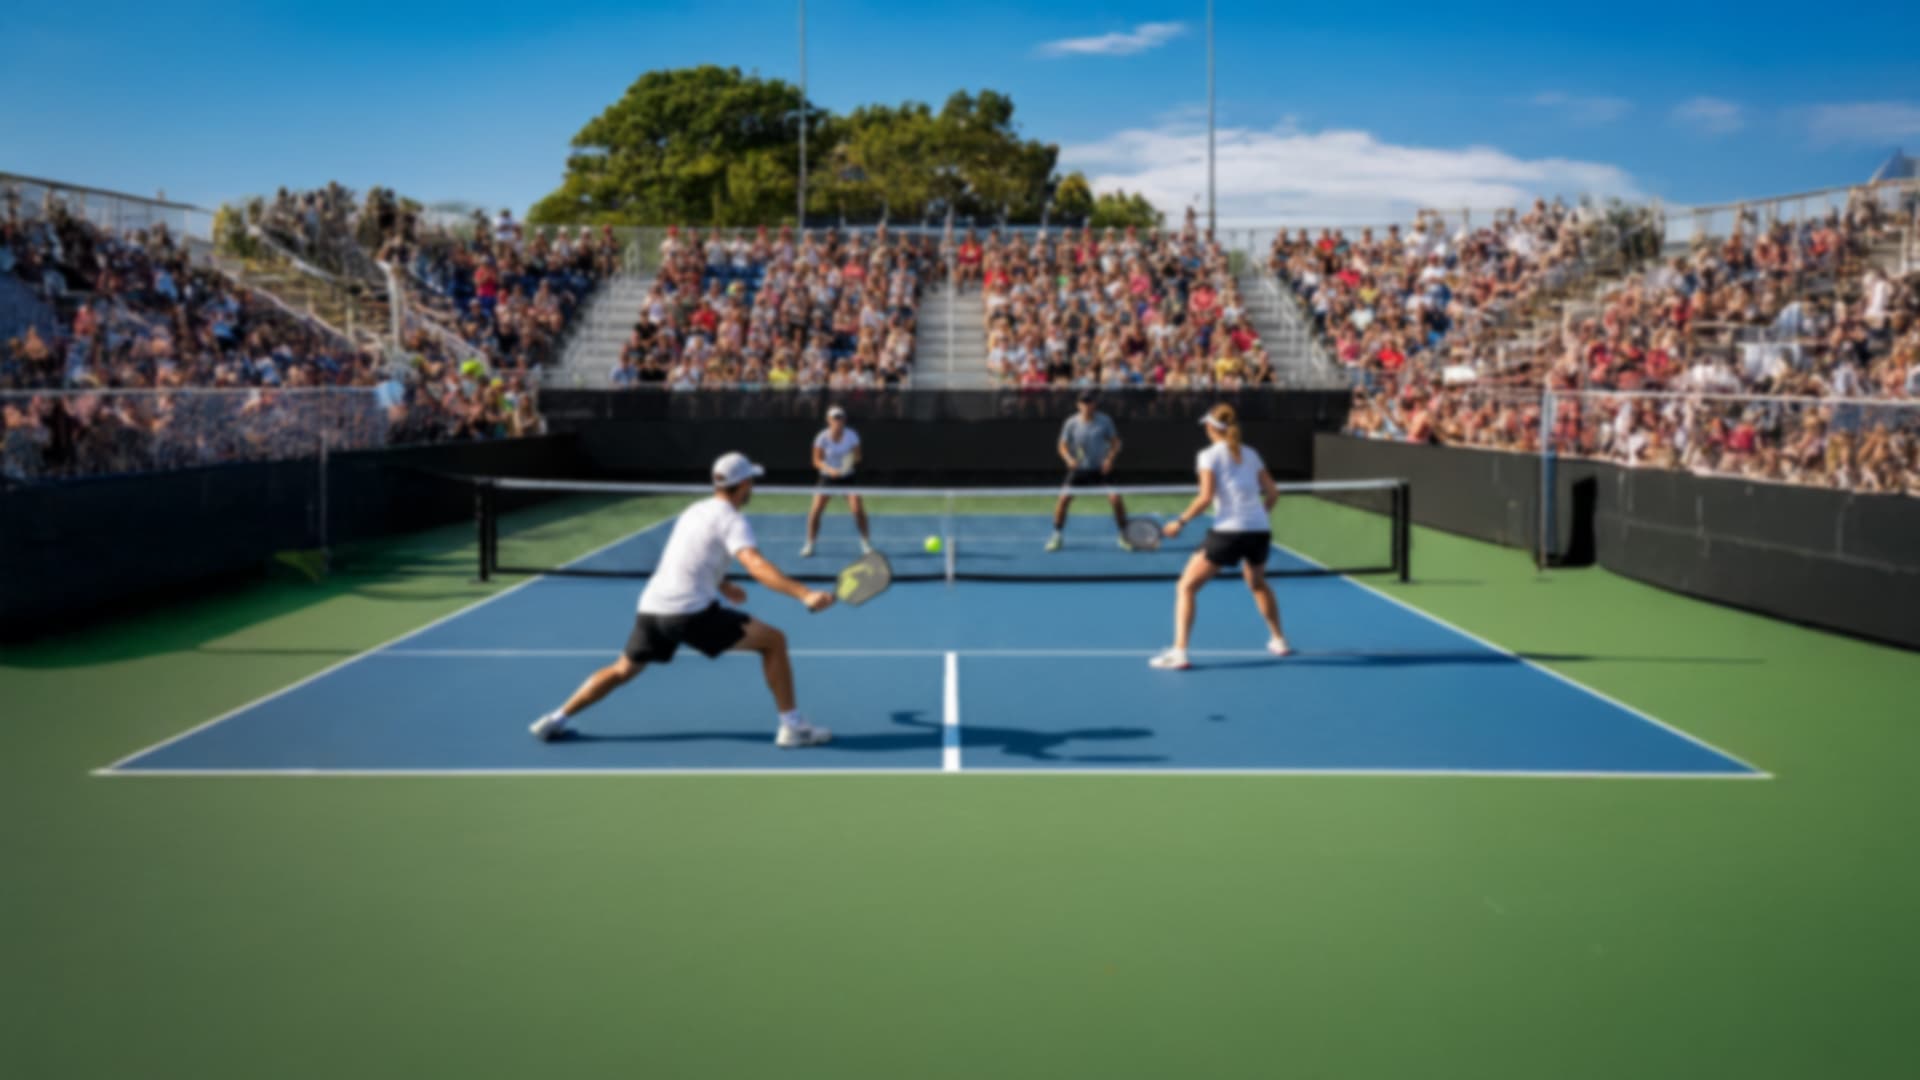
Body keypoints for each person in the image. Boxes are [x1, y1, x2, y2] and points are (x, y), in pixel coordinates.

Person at [530, 452, 837, 747]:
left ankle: (556, 719)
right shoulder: (732, 520)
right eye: (752, 481)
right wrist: (805, 593)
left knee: (622, 670)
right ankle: (793, 728)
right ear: (743, 485)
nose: (753, 487)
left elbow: (690, 555)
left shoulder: (695, 510)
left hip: (652, 608)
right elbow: (755, 564)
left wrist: (723, 584)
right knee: (774, 642)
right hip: (689, 613)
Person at [1149, 404, 1291, 670]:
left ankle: (1179, 652)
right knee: (1257, 584)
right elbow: (1273, 493)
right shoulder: (1251, 453)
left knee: (1186, 587)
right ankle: (1279, 640)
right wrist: (1257, 516)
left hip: (1228, 532)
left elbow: (1205, 497)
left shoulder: (1208, 455)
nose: (1205, 427)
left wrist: (1180, 522)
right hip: (1259, 531)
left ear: (1212, 427)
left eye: (1207, 423)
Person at [1047, 390, 1130, 552]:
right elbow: (1062, 445)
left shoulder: (1105, 421)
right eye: (1083, 402)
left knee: (1115, 499)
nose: (1086, 405)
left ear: (1095, 404)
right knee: (1063, 499)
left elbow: (1115, 443)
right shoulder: (1071, 423)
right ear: (1078, 405)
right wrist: (1069, 459)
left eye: (1089, 402)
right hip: (1079, 469)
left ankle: (1124, 534)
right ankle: (1057, 535)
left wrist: (1109, 459)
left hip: (1101, 469)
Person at [801, 405, 873, 558]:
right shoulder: (821, 437)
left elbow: (857, 456)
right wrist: (830, 470)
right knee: (815, 511)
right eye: (835, 418)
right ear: (829, 420)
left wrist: (846, 466)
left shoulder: (852, 436)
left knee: (857, 510)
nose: (838, 420)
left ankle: (866, 543)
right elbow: (816, 461)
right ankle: (810, 544)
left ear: (844, 420)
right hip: (827, 477)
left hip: (848, 477)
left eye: (840, 417)